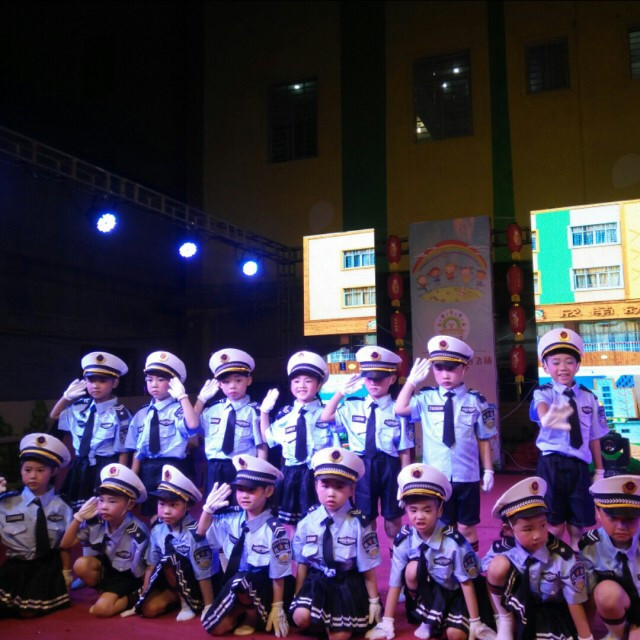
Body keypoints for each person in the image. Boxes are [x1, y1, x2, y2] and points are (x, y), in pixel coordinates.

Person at [368, 463, 495, 640]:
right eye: (413, 510)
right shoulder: (404, 540)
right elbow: (395, 581)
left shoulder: (453, 543)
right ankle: (426, 618)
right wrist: (387, 621)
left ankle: (455, 621)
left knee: (455, 635)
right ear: (405, 509)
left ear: (440, 510)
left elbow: (466, 583)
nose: (419, 516)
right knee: (412, 569)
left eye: (427, 510)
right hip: (434, 591)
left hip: (458, 592)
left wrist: (475, 621)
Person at [395, 336, 496, 552]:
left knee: (466, 527)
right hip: (437, 476)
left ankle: (470, 566)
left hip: (467, 475)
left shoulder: (476, 401)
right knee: (441, 526)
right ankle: (443, 567)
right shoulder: (426, 398)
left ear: (464, 368)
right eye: (439, 368)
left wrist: (488, 470)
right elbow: (400, 409)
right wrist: (411, 382)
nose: (445, 375)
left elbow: (483, 438)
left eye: (451, 368)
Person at [321, 346, 414, 546]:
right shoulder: (352, 406)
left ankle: (397, 561)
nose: (373, 383)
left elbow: (404, 449)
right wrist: (340, 392)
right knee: (365, 520)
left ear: (392, 379)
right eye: (369, 378)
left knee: (393, 521)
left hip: (390, 467)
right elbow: (326, 417)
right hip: (363, 467)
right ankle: (369, 560)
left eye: (379, 378)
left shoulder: (398, 409)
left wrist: (405, 481)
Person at [290, 447, 383, 640]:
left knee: (340, 637)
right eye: (325, 485)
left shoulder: (359, 523)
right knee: (300, 617)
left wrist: (374, 601)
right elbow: (302, 564)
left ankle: (332, 622)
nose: (331, 493)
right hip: (317, 581)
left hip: (346, 582)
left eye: (339, 487)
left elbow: (367, 568)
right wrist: (297, 595)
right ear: (316, 485)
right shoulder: (307, 521)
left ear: (352, 489)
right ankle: (323, 620)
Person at [482, 476, 591, 640]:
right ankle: (505, 623)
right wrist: (502, 617)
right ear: (508, 530)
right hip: (514, 608)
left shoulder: (562, 556)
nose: (538, 535)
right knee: (497, 566)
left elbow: (574, 599)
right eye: (528, 529)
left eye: (543, 525)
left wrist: (586, 637)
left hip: (550, 610)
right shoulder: (502, 549)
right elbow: (487, 580)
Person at [529, 327, 608, 550]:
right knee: (554, 525)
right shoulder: (544, 392)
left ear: (578, 365)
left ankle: (575, 560)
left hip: (579, 465)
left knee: (577, 525)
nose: (563, 367)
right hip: (551, 465)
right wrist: (549, 416)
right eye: (555, 362)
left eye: (569, 362)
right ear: (545, 366)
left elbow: (594, 437)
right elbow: (542, 411)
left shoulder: (589, 398)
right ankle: (552, 562)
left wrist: (599, 471)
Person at [198, 455, 294, 636]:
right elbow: (201, 534)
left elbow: (278, 574)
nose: (244, 496)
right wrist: (207, 511)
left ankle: (252, 616)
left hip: (265, 587)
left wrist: (277, 606)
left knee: (243, 579)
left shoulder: (275, 530)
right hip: (236, 585)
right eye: (240, 489)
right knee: (214, 627)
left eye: (251, 490)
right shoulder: (231, 518)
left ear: (268, 491)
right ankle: (241, 610)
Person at [59, 463, 149, 617]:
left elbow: (142, 571)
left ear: (130, 504)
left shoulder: (137, 532)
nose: (104, 506)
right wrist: (78, 518)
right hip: (107, 570)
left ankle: (131, 597)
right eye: (101, 500)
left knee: (101, 610)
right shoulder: (97, 522)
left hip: (128, 577)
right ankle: (106, 593)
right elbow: (65, 544)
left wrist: (144, 595)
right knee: (81, 565)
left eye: (112, 501)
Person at [0, 433, 73, 617]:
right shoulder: (6, 503)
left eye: (41, 470)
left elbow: (65, 546)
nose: (33, 476)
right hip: (15, 567)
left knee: (29, 612)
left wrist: (66, 572)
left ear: (54, 472)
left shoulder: (64, 507)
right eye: (27, 470)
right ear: (21, 470)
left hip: (47, 568)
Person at [260, 350, 335, 526]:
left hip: (318, 473)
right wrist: (264, 411)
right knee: (292, 522)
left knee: (320, 520)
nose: (301, 385)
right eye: (296, 381)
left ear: (319, 385)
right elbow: (268, 438)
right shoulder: (285, 415)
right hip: (291, 473)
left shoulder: (326, 414)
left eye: (308, 381)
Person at [50, 351, 131, 510]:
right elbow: (54, 415)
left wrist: (119, 479)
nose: (95, 385)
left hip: (104, 467)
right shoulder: (79, 406)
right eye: (91, 380)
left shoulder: (121, 414)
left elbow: (123, 452)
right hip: (80, 466)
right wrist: (66, 397)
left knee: (101, 511)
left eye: (102, 381)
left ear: (115, 383)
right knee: (73, 510)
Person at [134, 464, 217, 621]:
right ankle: (176, 598)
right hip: (172, 583)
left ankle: (188, 603)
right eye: (162, 504)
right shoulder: (157, 530)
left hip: (196, 584)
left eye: (173, 505)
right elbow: (151, 565)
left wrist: (209, 606)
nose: (166, 511)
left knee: (171, 559)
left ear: (187, 506)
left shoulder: (194, 533)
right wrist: (144, 595)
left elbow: (203, 573)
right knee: (149, 609)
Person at [125, 350, 200, 516]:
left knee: (171, 512)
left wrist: (182, 397)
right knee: (150, 512)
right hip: (147, 468)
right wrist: (132, 479)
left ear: (174, 383)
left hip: (173, 467)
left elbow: (193, 425)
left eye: (160, 380)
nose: (154, 385)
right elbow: (137, 450)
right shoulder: (141, 414)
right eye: (149, 380)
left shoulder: (179, 410)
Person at [194, 348, 267, 498]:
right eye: (226, 382)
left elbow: (261, 445)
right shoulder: (212, 410)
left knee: (241, 505)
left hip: (243, 467)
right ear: (219, 384)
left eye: (238, 380)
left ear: (249, 380)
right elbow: (191, 426)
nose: (232, 386)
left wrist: (259, 472)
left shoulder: (255, 411)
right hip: (215, 467)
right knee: (214, 506)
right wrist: (201, 400)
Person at [579, 474, 640, 640]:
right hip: (619, 603)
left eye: (630, 519)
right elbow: (587, 597)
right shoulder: (590, 546)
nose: (621, 527)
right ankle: (616, 635)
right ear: (598, 512)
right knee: (605, 593)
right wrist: (586, 636)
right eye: (613, 517)